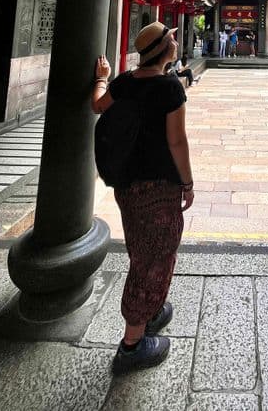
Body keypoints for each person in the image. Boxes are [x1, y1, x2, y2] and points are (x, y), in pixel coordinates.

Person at [92, 22, 194, 374]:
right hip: (160, 186)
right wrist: (188, 182)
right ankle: (132, 343)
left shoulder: (125, 81)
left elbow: (97, 106)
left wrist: (102, 77)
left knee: (141, 247)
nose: (177, 42)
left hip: (127, 186)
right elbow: (177, 142)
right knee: (154, 259)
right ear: (165, 48)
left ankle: (152, 308)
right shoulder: (169, 88)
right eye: (173, 38)